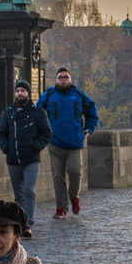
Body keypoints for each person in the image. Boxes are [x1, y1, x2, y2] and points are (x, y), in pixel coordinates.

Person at [39, 67, 99, 219]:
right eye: (60, 77)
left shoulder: (78, 95)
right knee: (58, 177)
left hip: (74, 142)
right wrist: (43, 132)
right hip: (55, 142)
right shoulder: (48, 96)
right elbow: (38, 114)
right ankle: (61, 207)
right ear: (56, 79)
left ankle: (74, 197)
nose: (63, 80)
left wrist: (88, 129)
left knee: (75, 172)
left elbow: (92, 112)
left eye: (65, 77)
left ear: (70, 79)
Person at [0, 79, 51, 237]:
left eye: (23, 91)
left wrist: (35, 146)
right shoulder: (8, 113)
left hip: (31, 159)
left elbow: (46, 133)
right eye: (18, 91)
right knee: (18, 193)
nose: (20, 94)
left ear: (28, 93)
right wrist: (6, 147)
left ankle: (29, 222)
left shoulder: (38, 113)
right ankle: (20, 222)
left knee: (28, 190)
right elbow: (1, 133)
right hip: (13, 159)